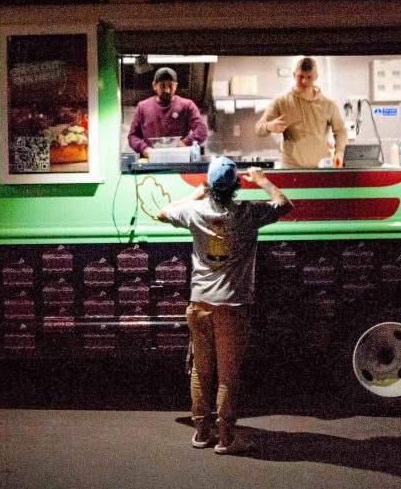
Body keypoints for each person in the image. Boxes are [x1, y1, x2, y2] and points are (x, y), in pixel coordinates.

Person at [154, 157, 291, 454]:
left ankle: (202, 432)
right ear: (236, 187)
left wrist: (197, 193)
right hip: (232, 306)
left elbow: (161, 212)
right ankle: (226, 438)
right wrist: (262, 180)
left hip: (199, 303)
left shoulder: (195, 210)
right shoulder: (249, 213)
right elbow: (284, 204)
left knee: (201, 372)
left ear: (210, 186)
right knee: (227, 375)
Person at [255, 56, 347, 168]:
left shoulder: (329, 104)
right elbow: (258, 128)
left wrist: (339, 154)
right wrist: (269, 126)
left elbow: (341, 131)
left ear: (316, 77)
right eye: (300, 76)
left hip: (321, 168)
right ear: (294, 75)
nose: (304, 81)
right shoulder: (281, 101)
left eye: (309, 77)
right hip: (291, 168)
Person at [127, 67, 208, 158]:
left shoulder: (187, 105)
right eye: (162, 86)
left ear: (176, 86)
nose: (167, 90)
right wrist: (144, 149)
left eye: (171, 85)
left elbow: (202, 130)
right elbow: (132, 136)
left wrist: (185, 142)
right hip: (151, 160)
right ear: (154, 86)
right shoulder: (142, 107)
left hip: (180, 159)